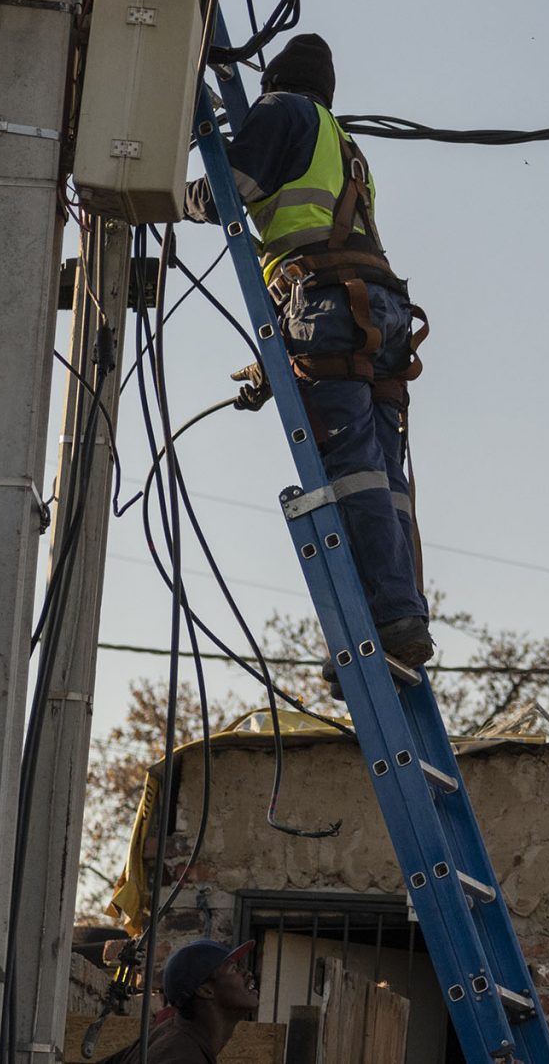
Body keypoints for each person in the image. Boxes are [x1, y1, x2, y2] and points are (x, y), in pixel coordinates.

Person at [184, 33, 431, 667]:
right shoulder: (344, 146)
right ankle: (402, 615)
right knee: (383, 472)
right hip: (380, 312)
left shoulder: (279, 112)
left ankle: (383, 627)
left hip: (327, 304)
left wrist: (169, 196)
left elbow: (230, 188)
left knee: (348, 466)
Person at [144, 937, 259, 1062]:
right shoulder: (183, 1056)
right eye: (234, 969)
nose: (248, 974)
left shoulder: (168, 1034)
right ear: (205, 990)